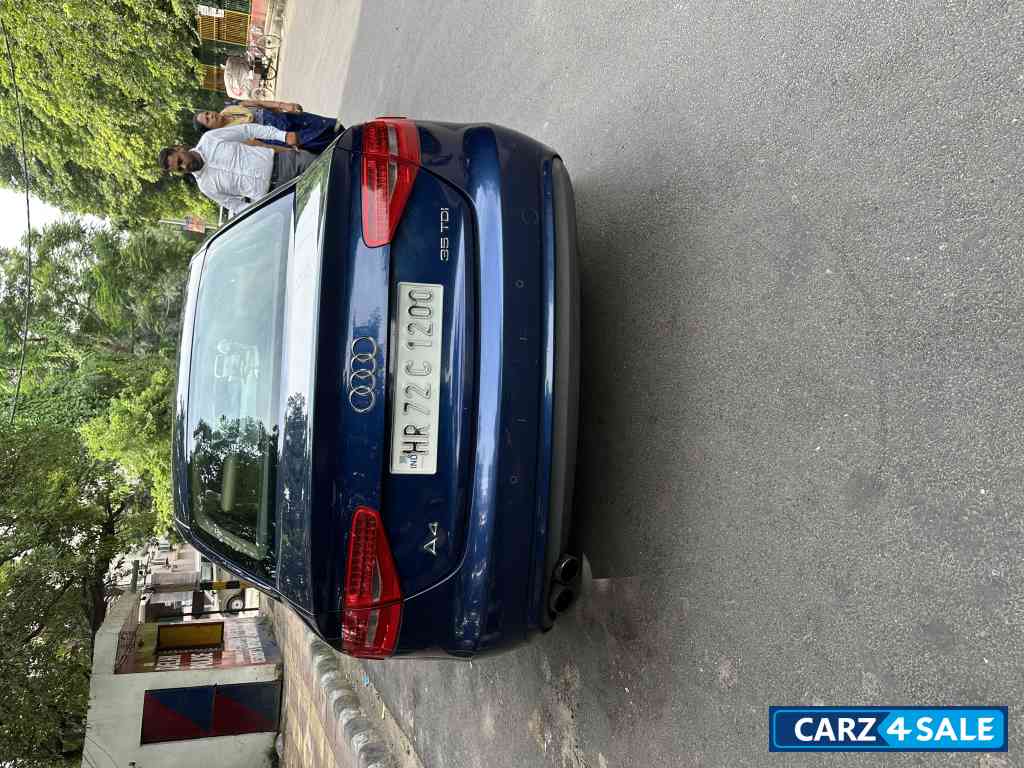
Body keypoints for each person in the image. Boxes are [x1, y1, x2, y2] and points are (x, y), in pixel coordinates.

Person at [158, 122, 315, 216]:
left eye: (180, 161)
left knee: (327, 167)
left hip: (285, 163)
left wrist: (282, 136)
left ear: (179, 148)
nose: (184, 166)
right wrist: (265, 211)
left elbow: (246, 130)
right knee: (317, 206)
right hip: (279, 195)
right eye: (179, 169)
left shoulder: (209, 139)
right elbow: (236, 206)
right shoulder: (205, 187)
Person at [195, 99, 343, 155]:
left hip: (281, 117)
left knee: (325, 124)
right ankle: (344, 142)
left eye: (207, 113)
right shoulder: (229, 135)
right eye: (207, 120)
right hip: (276, 135)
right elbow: (258, 144)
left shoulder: (231, 107)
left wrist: (285, 106)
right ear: (210, 130)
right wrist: (289, 151)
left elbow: (260, 103)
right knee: (318, 140)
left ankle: (345, 133)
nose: (210, 115)